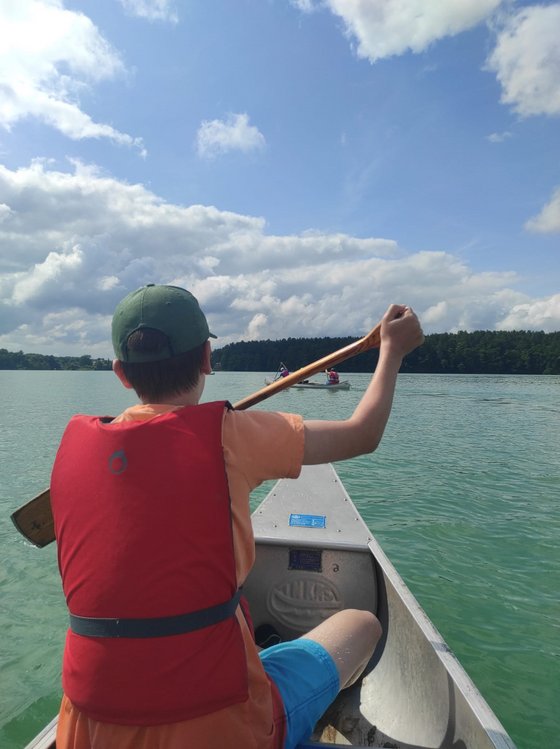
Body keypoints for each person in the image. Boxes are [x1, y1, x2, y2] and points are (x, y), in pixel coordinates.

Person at [51, 283, 424, 749]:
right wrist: (391, 351)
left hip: (86, 731)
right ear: (207, 358)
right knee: (362, 625)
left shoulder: (73, 449)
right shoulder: (231, 436)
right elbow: (362, 434)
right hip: (220, 729)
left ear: (121, 374)